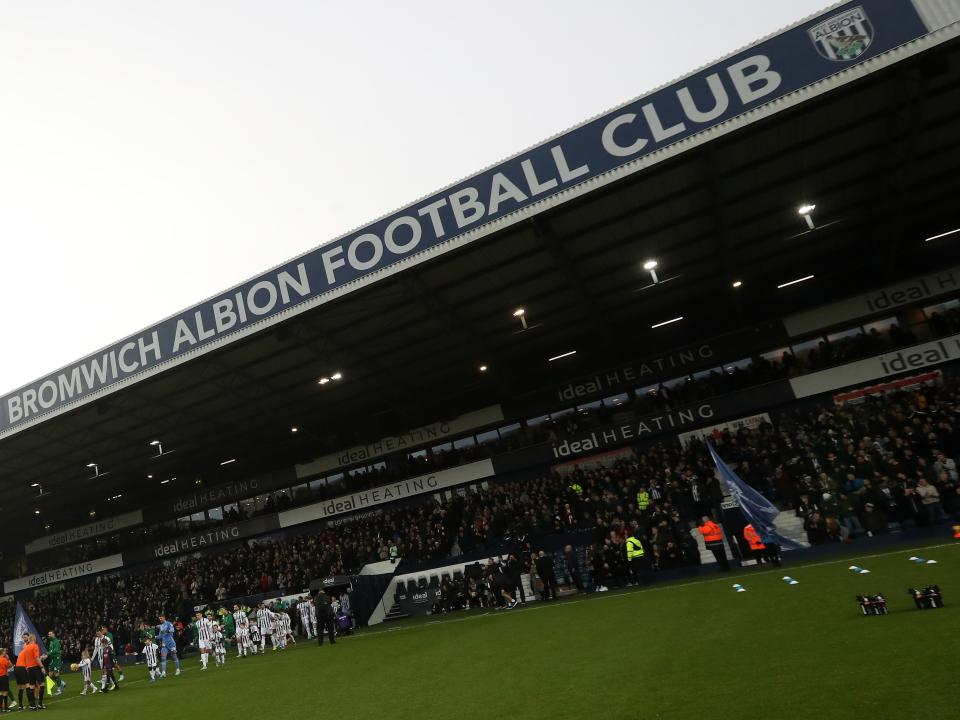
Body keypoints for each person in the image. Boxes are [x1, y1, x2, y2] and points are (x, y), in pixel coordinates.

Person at [0, 648, 12, 712]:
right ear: (2, 652)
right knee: (5, 692)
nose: (5, 653)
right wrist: (8, 658)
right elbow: (10, 665)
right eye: (4, 652)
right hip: (3, 676)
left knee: (1, 692)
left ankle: (1, 707)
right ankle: (5, 708)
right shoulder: (3, 659)